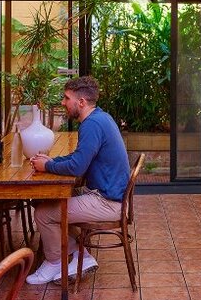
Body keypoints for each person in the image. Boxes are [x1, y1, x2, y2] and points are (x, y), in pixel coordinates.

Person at [26, 75, 131, 284]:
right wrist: (53, 160)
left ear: (81, 102)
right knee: (43, 200)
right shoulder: (100, 117)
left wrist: (47, 166)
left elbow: (77, 166)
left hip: (107, 201)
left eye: (66, 98)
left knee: (44, 214)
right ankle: (80, 255)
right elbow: (79, 156)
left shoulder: (92, 125)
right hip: (104, 193)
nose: (63, 103)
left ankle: (55, 262)